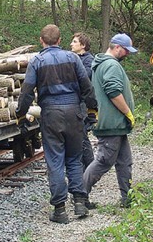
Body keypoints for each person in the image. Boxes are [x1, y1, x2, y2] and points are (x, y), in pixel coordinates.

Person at [16, 24, 96, 224]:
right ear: (60, 41)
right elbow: (86, 86)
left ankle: (60, 209)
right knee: (74, 158)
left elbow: (26, 92)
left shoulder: (37, 61)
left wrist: (20, 115)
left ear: (41, 41)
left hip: (51, 114)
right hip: (73, 113)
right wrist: (92, 111)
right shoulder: (73, 58)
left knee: (55, 160)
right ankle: (79, 201)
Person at [84, 33, 137, 208]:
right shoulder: (111, 65)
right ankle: (80, 195)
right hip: (112, 123)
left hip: (117, 124)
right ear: (117, 47)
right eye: (126, 51)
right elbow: (113, 92)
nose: (127, 54)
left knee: (124, 161)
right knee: (104, 161)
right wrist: (128, 112)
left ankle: (127, 198)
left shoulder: (102, 64)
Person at [70, 31, 97, 170]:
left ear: (83, 45)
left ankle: (91, 168)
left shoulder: (89, 61)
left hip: (83, 104)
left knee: (82, 136)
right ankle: (82, 168)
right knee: (77, 137)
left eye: (74, 42)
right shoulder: (73, 58)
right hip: (73, 103)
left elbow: (84, 78)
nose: (71, 44)